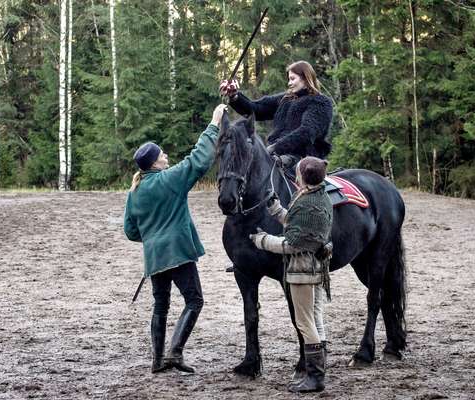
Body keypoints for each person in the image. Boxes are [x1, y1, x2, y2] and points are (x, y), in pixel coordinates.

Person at [124, 104, 227, 374]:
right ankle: (175, 354)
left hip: (155, 257)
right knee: (194, 301)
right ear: (155, 163)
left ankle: (158, 362)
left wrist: (153, 236)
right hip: (178, 253)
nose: (166, 155)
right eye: (162, 154)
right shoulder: (169, 179)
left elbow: (131, 231)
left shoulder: (134, 192)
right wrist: (214, 122)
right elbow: (198, 160)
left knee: (161, 305)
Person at [249, 156, 333, 393]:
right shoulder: (319, 197)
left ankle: (315, 377)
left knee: (304, 322)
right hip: (317, 267)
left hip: (302, 270)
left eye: (297, 172)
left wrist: (262, 240)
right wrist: (277, 209)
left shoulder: (306, 204)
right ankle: (318, 371)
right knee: (315, 319)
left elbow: (292, 243)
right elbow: (298, 225)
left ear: (303, 176)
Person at [219, 60, 333, 170]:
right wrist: (234, 96)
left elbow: (307, 132)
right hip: (275, 154)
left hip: (305, 159)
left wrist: (275, 147)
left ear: (306, 78)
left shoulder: (320, 102)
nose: (289, 83)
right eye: (289, 79)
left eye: (293, 79)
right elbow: (256, 109)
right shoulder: (285, 99)